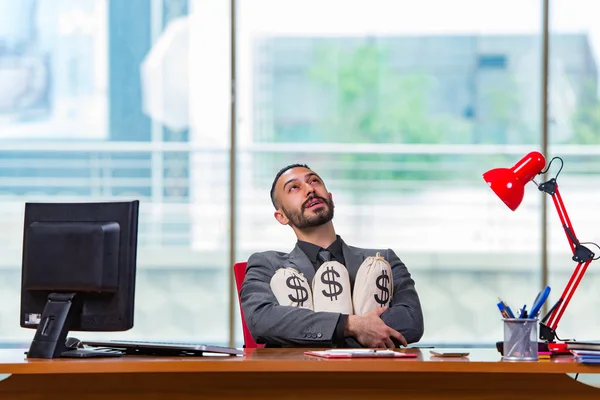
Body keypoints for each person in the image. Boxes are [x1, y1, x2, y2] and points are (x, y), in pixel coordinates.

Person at [240, 164, 424, 348]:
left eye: (314, 181)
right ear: (281, 217)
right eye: (294, 187)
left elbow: (411, 321)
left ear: (330, 199)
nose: (310, 189)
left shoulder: (384, 259)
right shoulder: (268, 265)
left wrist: (319, 329)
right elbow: (262, 320)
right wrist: (350, 325)